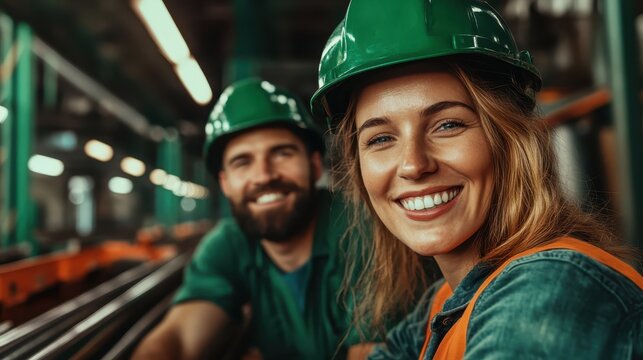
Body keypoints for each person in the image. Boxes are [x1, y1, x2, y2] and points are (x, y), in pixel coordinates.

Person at [310, 0, 643, 359]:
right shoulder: (441, 304)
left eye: (448, 125)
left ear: (511, 138)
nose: (412, 164)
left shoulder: (548, 287)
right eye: (381, 139)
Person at [133, 78, 372, 360]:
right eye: (242, 162)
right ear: (225, 183)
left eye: (282, 153)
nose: (264, 175)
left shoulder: (360, 229)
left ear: (315, 165)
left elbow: (372, 353)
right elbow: (179, 338)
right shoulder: (229, 244)